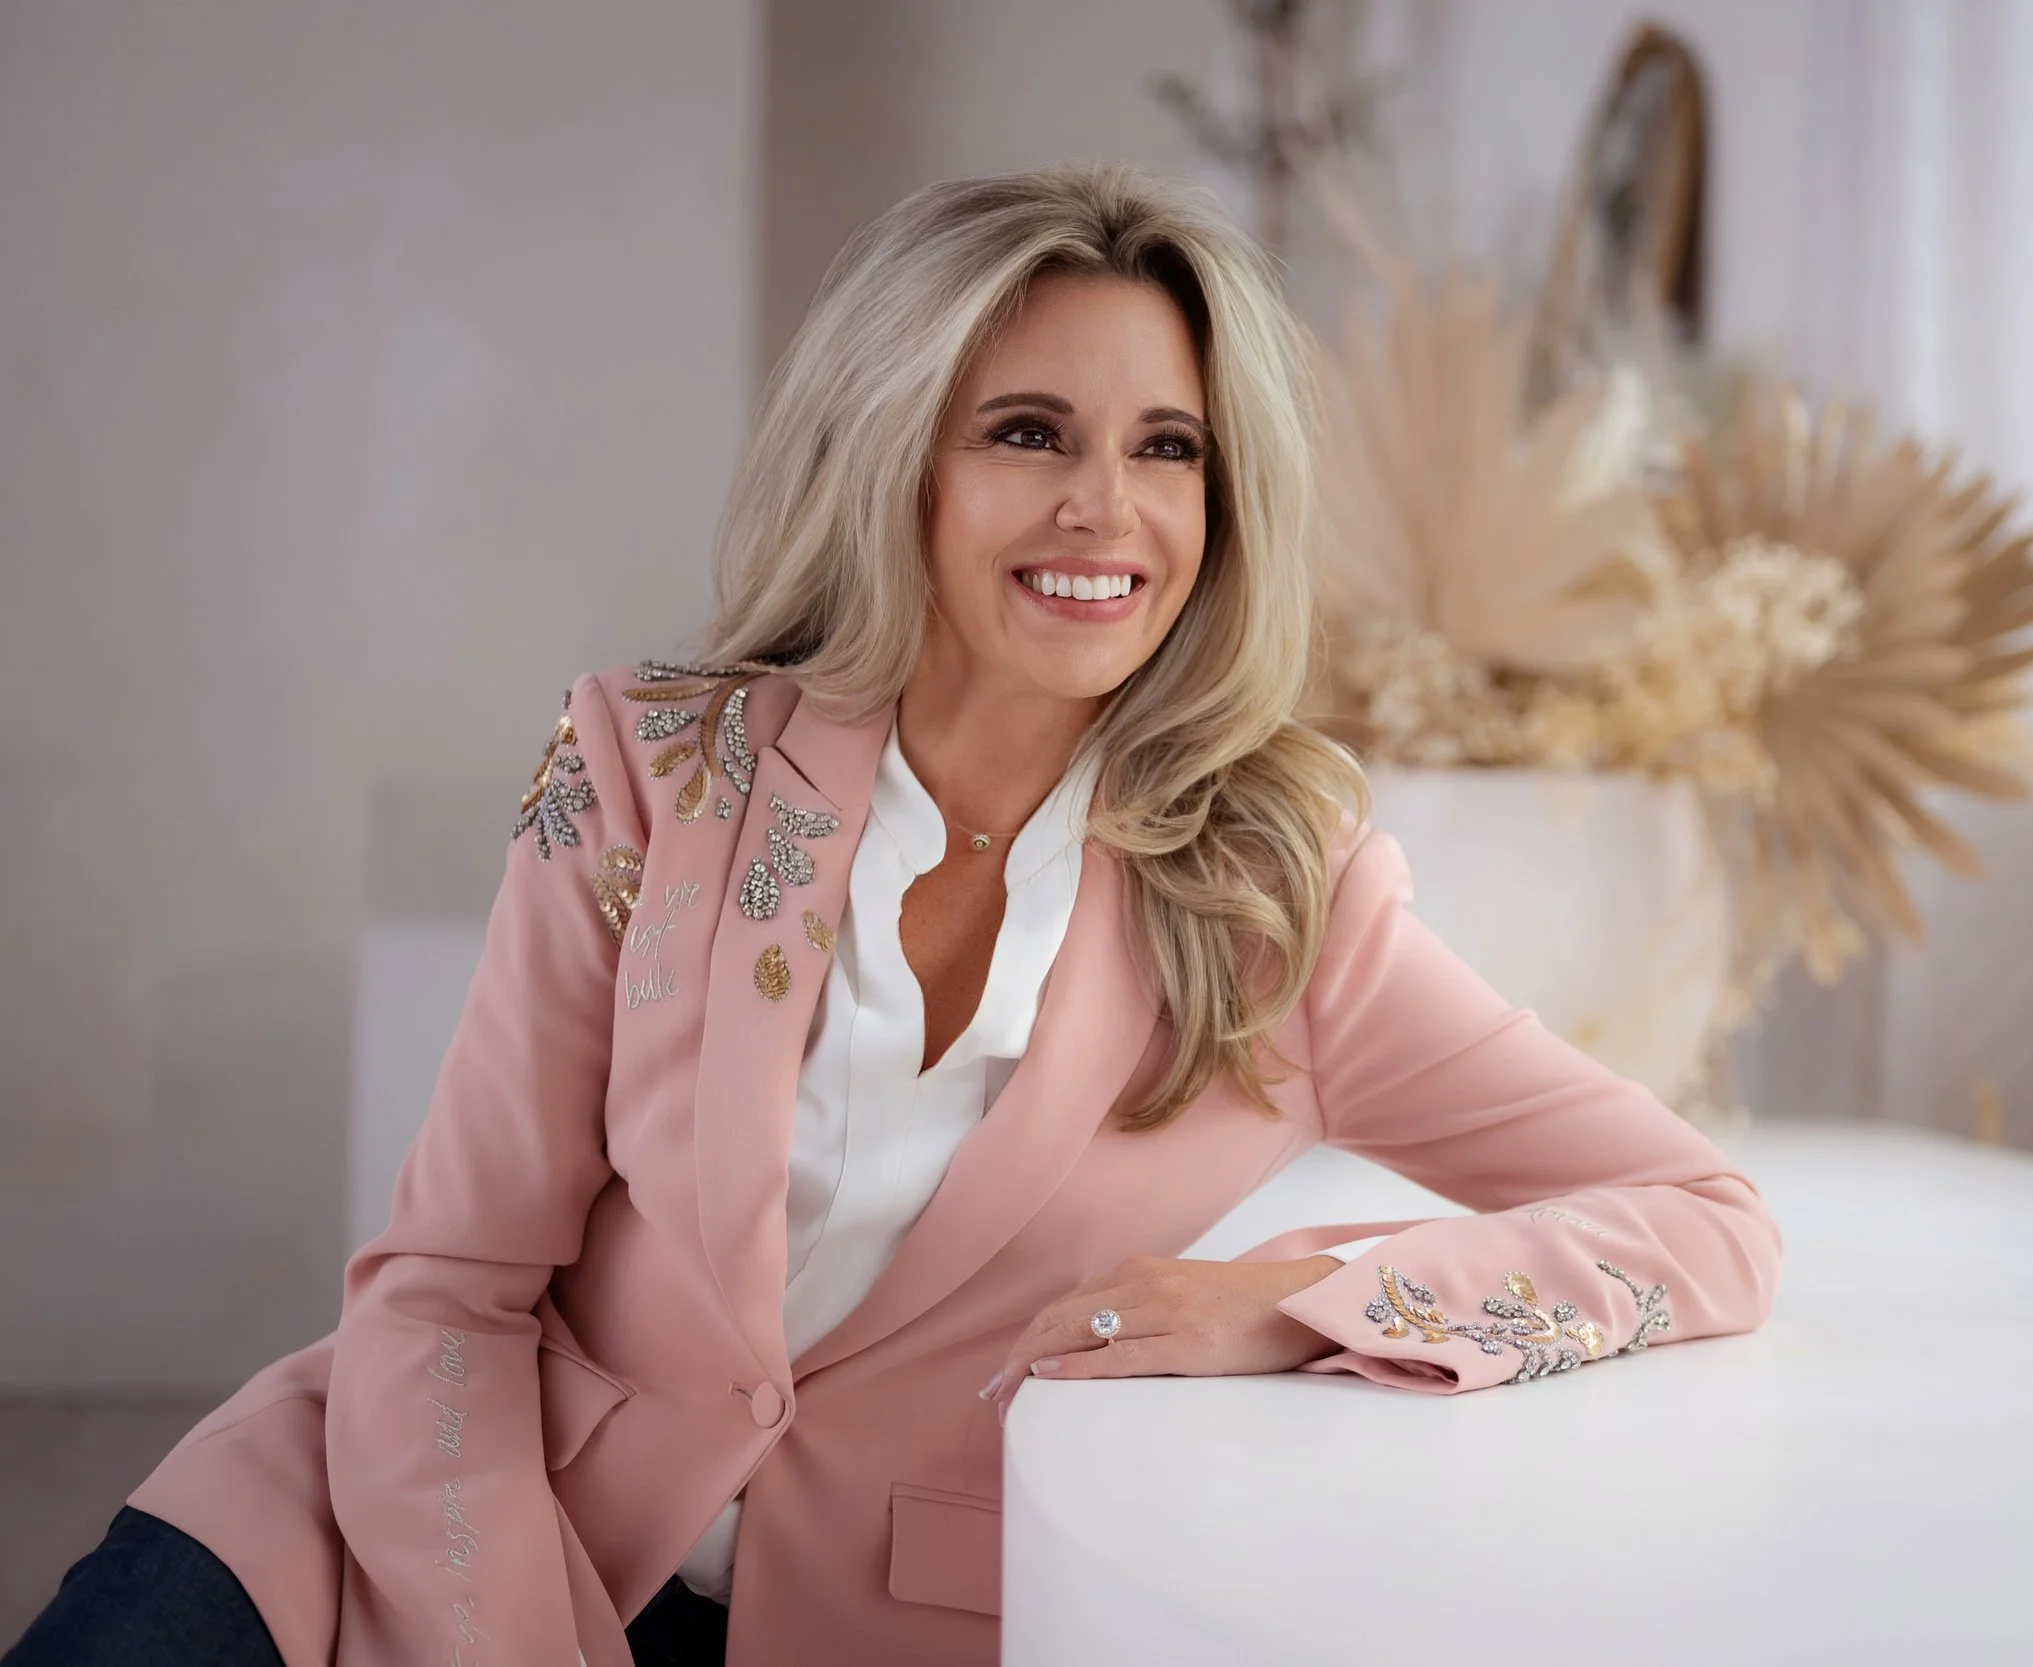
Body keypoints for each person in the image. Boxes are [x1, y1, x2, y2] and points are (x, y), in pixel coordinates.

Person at [7, 163, 1783, 1667]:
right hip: (409, 1539)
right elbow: (446, 1292)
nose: (1108, 509)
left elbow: (1704, 1217)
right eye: (1029, 432)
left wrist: (1299, 1302)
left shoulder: (1279, 904)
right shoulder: (654, 768)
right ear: (898, 457)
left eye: (1168, 447)